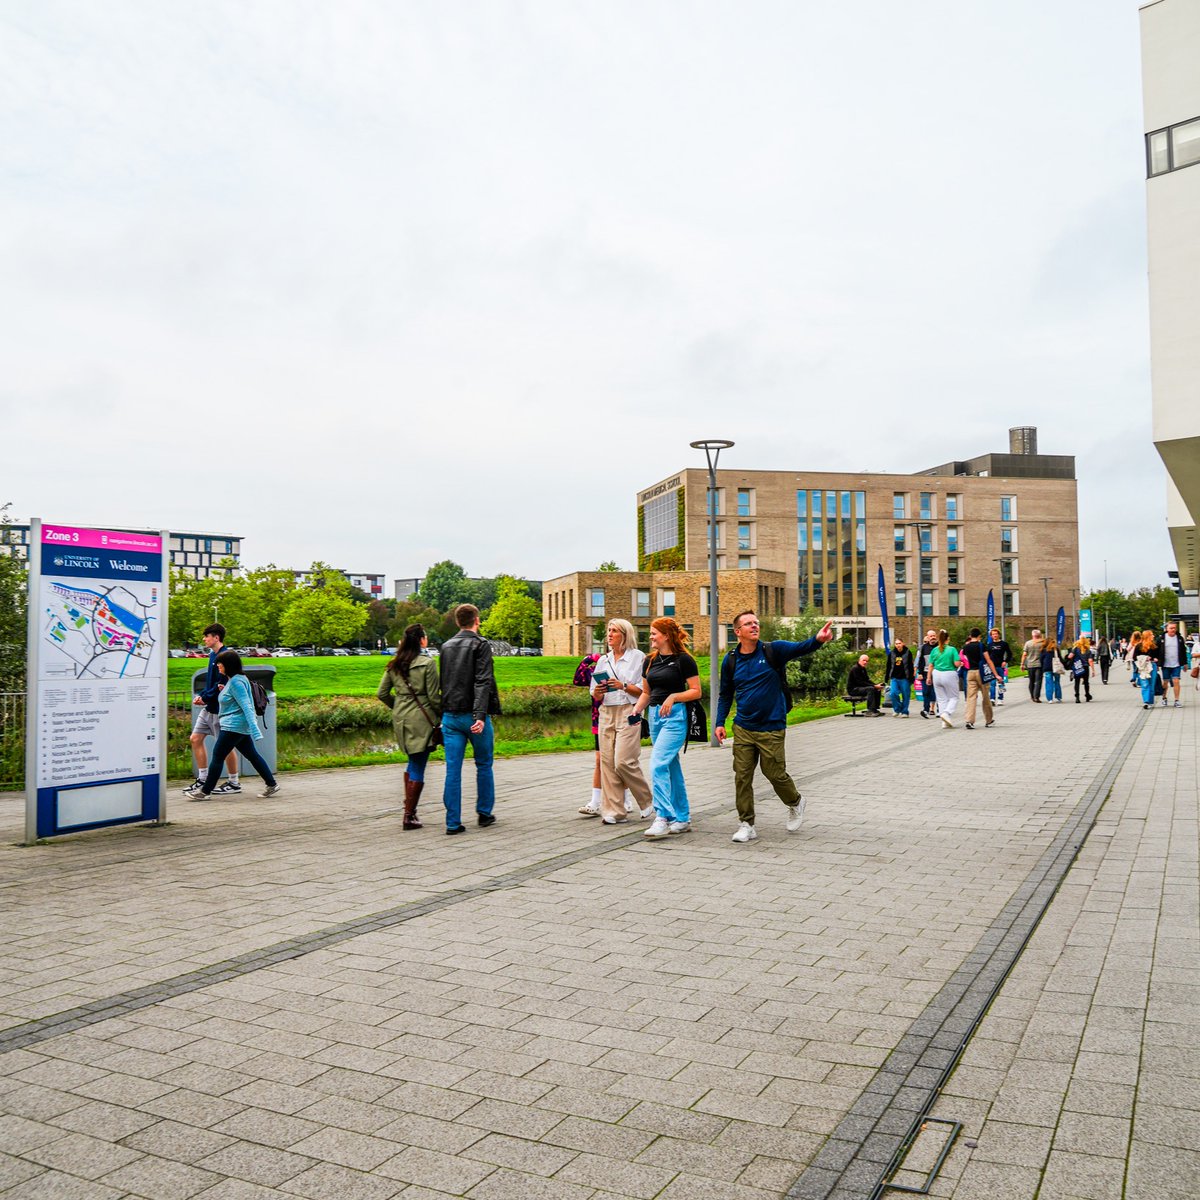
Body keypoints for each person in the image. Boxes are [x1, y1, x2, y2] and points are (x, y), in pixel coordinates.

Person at [713, 611, 834, 843]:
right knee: (742, 776)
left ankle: (796, 802)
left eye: (756, 622)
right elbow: (726, 694)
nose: (754, 626)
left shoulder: (773, 650)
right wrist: (719, 722)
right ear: (737, 632)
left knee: (774, 773)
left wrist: (817, 640)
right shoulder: (730, 660)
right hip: (743, 727)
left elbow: (801, 647)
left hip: (772, 726)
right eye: (748, 624)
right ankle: (746, 823)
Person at [629, 618, 701, 840]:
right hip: (655, 716)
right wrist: (635, 711)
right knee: (671, 767)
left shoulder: (684, 661)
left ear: (666, 636)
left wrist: (674, 696)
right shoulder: (649, 661)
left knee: (658, 764)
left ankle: (663, 817)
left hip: (676, 717)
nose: (650, 637)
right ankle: (682, 817)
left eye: (653, 633)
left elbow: (696, 691)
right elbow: (646, 692)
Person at [438, 604, 500, 835]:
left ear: (457, 622)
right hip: (474, 716)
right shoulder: (480, 644)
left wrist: (442, 715)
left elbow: (444, 682)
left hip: (450, 716)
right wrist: (480, 715)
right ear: (477, 620)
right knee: (484, 764)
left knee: (452, 770)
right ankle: (484, 813)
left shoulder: (445, 647)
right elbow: (482, 680)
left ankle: (452, 822)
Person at [184, 650, 279, 799]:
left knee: (217, 756)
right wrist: (223, 691)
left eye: (220, 664)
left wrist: (255, 729)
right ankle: (272, 784)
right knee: (252, 755)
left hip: (234, 726)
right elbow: (233, 699)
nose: (218, 666)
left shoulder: (236, 682)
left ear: (228, 665)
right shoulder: (235, 680)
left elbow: (247, 705)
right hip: (237, 725)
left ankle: (204, 792)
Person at [377, 624, 442, 830]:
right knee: (418, 763)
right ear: (421, 640)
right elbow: (433, 697)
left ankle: (409, 809)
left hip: (401, 718)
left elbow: (382, 693)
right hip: (421, 719)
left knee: (413, 761)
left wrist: (397, 706)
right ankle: (409, 814)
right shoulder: (427, 663)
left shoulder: (394, 664)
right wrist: (442, 715)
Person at [590, 619, 653, 824]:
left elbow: (645, 691)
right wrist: (598, 692)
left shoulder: (638, 658)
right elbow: (594, 694)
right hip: (606, 711)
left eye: (614, 631)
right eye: (608, 631)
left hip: (629, 710)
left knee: (623, 761)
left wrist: (622, 685)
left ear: (625, 635)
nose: (609, 635)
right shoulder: (603, 661)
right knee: (607, 763)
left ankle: (646, 800)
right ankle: (614, 812)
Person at [189, 623, 241, 795]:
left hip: (221, 710)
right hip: (209, 708)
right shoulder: (212, 655)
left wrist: (204, 697)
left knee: (225, 748)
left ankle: (234, 782)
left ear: (216, 637)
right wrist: (202, 696)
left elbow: (222, 683)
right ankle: (202, 778)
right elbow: (211, 682)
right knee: (195, 739)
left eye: (207, 636)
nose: (204, 639)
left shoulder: (226, 656)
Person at [573, 650, 603, 815]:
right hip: (598, 720)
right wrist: (589, 658)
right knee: (599, 761)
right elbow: (577, 679)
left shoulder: (621, 669)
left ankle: (626, 799)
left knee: (619, 762)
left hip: (618, 719)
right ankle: (595, 802)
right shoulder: (595, 672)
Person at [961, 628, 999, 730]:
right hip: (981, 673)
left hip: (970, 673)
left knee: (971, 698)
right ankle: (989, 720)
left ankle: (970, 720)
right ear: (979, 636)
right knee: (986, 697)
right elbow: (988, 660)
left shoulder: (966, 647)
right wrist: (996, 674)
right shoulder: (981, 645)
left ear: (970, 635)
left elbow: (964, 659)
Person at [926, 630, 961, 729]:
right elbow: (956, 664)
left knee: (941, 699)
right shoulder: (952, 649)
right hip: (949, 674)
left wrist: (929, 677)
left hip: (936, 674)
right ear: (948, 639)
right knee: (954, 697)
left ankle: (944, 722)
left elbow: (931, 665)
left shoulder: (935, 650)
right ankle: (946, 713)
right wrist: (960, 663)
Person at [884, 636, 915, 717]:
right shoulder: (892, 653)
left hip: (905, 678)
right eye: (896, 644)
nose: (898, 645)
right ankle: (897, 709)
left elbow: (911, 666)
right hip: (894, 677)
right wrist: (886, 677)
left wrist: (912, 678)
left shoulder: (908, 652)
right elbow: (888, 666)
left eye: (899, 643)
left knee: (906, 695)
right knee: (893, 693)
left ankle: (905, 712)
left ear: (903, 644)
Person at [1160, 621, 1188, 708]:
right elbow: (1157, 651)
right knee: (1165, 682)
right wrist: (1157, 663)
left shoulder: (1179, 638)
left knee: (1176, 681)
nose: (1173, 630)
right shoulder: (1162, 638)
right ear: (1167, 629)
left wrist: (1185, 663)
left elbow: (1183, 651)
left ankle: (1177, 700)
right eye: (1171, 628)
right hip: (1165, 664)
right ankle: (1164, 698)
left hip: (1176, 664)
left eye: (1174, 628)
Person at [1062, 637, 1095, 704]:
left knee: (1077, 682)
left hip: (1077, 667)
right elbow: (1090, 661)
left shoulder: (1075, 649)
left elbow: (1070, 656)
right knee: (1086, 682)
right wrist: (1093, 670)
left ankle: (1077, 697)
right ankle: (1087, 695)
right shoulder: (1088, 650)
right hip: (1085, 668)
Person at [1134, 629, 1160, 709]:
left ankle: (1150, 702)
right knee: (1145, 684)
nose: (1153, 636)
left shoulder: (1154, 646)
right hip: (1143, 667)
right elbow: (1134, 657)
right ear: (1147, 636)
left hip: (1152, 666)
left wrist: (1156, 659)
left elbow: (1158, 656)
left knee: (1151, 685)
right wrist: (1144, 658)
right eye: (1152, 634)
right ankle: (1146, 701)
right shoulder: (1139, 646)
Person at [985, 628, 1011, 705]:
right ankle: (992, 699)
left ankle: (1000, 698)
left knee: (1001, 683)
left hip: (1000, 666)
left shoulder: (1004, 644)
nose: (995, 635)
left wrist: (1005, 661)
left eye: (996, 634)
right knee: (992, 683)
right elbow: (987, 656)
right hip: (992, 667)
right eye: (993, 634)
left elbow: (1009, 654)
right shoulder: (989, 645)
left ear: (998, 634)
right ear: (991, 636)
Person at [916, 630, 938, 718]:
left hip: (937, 673)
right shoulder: (924, 648)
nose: (933, 637)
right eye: (931, 636)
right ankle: (926, 710)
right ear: (928, 637)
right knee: (926, 692)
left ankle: (939, 710)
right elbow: (920, 661)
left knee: (936, 692)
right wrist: (920, 673)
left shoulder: (939, 647)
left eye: (934, 635)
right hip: (925, 673)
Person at [1021, 629, 1045, 703]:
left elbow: (1024, 654)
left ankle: (1032, 696)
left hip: (1030, 665)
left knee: (1031, 681)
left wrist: (1022, 664)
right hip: (1039, 665)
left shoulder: (1028, 643)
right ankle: (1036, 697)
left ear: (1032, 635)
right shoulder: (1043, 643)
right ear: (1039, 635)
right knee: (1038, 681)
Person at [1041, 635, 1064, 703]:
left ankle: (1050, 699)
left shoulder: (1044, 650)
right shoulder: (1056, 650)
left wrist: (1042, 668)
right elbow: (1060, 658)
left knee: (1048, 683)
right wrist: (1066, 665)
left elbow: (1041, 659)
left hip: (1047, 668)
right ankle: (1058, 697)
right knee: (1057, 682)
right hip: (1056, 668)